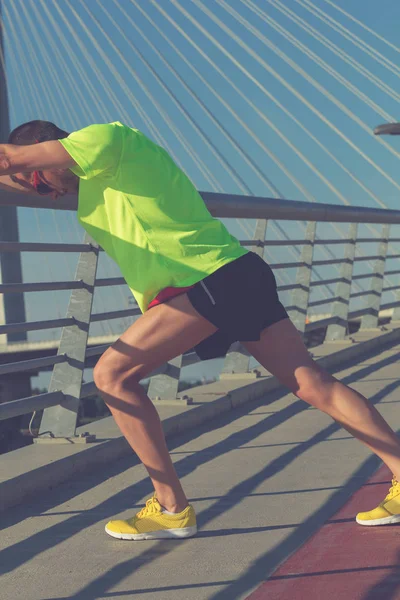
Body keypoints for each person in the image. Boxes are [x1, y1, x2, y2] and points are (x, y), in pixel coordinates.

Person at [1, 120, 400, 539]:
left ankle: (172, 508)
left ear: (47, 149)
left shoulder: (108, 140)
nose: (52, 193)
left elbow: (9, 158)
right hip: (235, 274)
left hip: (207, 281)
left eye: (40, 181)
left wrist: (17, 164)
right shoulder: (93, 184)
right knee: (313, 384)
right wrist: (25, 179)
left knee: (111, 376)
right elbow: (14, 171)